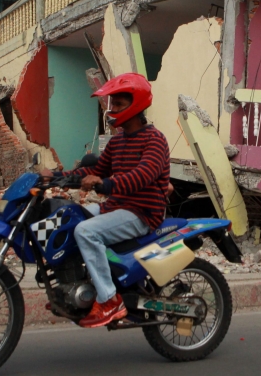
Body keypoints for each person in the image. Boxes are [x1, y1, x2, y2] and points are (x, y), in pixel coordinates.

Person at [41, 73, 170, 328]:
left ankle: (110, 300)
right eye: (112, 104)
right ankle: (71, 286)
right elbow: (95, 170)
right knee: (66, 220)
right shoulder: (117, 141)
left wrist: (106, 183)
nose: (112, 110)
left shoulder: (154, 140)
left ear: (136, 105)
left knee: (86, 231)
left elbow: (142, 175)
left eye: (119, 104)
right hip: (115, 207)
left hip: (142, 213)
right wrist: (55, 177)